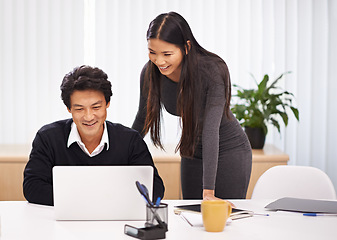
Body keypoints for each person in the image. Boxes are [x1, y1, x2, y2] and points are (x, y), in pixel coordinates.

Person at [132, 12, 252, 201]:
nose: (159, 61)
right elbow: (142, 119)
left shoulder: (212, 71)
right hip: (192, 151)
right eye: (152, 52)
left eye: (167, 54)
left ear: (186, 47)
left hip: (228, 150)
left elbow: (211, 130)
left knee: (224, 217)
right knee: (192, 217)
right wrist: (122, 156)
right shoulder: (150, 73)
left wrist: (208, 192)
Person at [23, 65, 164, 206]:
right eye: (79, 109)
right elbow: (32, 187)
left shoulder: (130, 140)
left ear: (107, 104)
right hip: (64, 220)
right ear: (69, 108)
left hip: (115, 220)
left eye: (96, 107)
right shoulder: (48, 138)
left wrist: (100, 201)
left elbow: (155, 188)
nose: (89, 117)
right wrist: (89, 200)